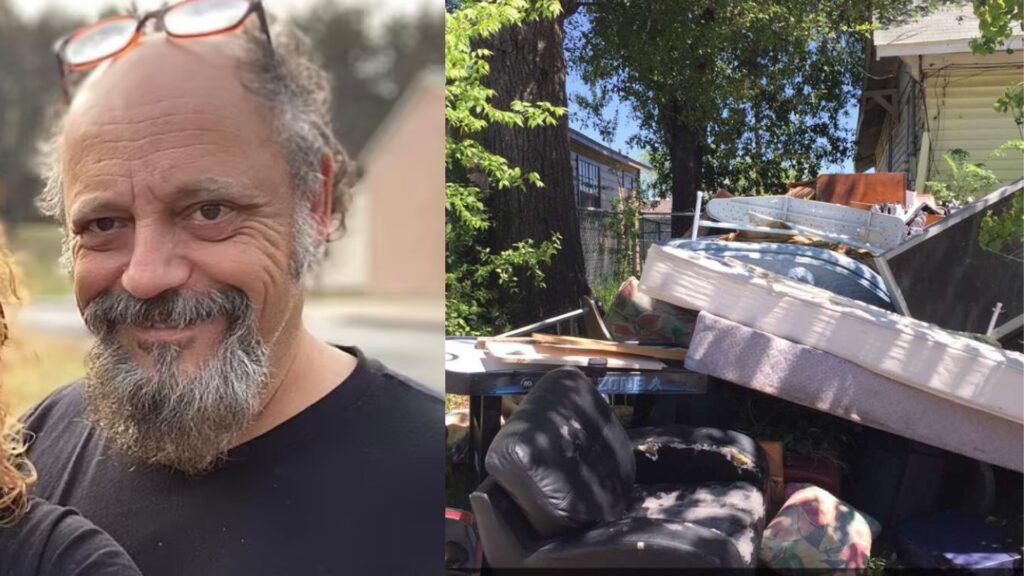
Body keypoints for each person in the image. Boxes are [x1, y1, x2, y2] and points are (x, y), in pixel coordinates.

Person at [22, 2, 442, 574]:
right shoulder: (39, 445)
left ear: (313, 202)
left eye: (209, 211)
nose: (145, 276)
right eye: (104, 225)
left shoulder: (436, 489)